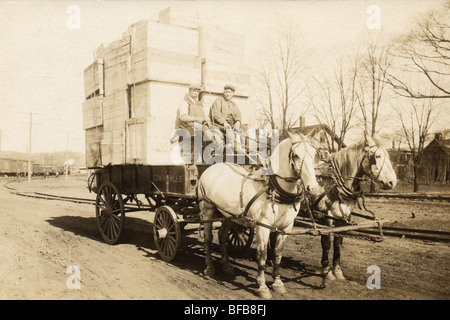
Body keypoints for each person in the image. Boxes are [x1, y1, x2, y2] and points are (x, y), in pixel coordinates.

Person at [172, 84, 221, 163]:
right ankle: (208, 149)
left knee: (217, 130)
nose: (196, 93)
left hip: (201, 125)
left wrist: (207, 119)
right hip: (189, 125)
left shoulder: (199, 103)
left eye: (198, 91)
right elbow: (183, 117)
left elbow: (205, 115)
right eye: (194, 91)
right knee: (207, 133)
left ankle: (214, 150)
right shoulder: (185, 103)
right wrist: (196, 119)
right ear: (190, 91)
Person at [210, 84, 246, 154]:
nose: (227, 94)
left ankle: (242, 148)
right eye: (226, 92)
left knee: (243, 129)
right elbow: (216, 113)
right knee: (229, 131)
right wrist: (224, 122)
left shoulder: (233, 104)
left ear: (233, 94)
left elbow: (237, 114)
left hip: (232, 124)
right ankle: (231, 148)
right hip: (220, 124)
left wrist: (238, 121)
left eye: (229, 92)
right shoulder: (218, 101)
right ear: (224, 92)